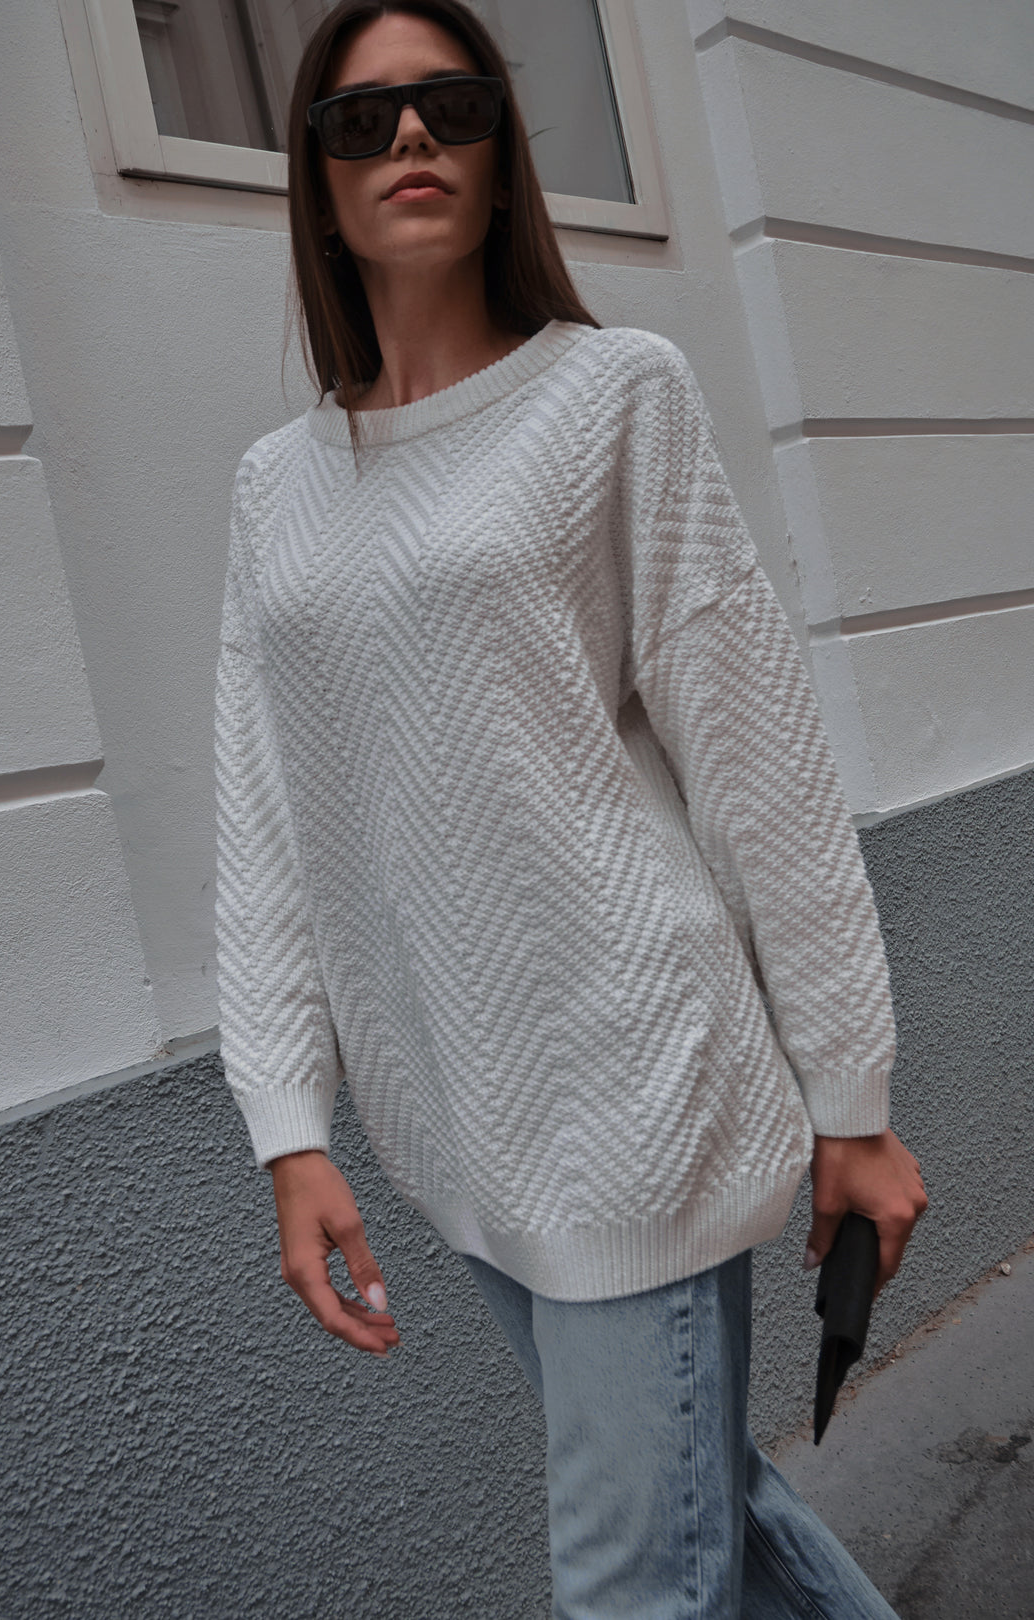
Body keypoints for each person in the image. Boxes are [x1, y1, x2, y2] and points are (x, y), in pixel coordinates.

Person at [213, 1, 929, 1613]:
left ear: (499, 151)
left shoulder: (612, 396)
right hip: (459, 1113)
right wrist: (289, 1124)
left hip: (633, 1087)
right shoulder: (277, 486)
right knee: (713, 1507)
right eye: (361, 119)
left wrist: (853, 1098)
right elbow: (264, 815)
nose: (410, 136)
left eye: (450, 104)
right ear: (316, 180)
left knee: (632, 1578)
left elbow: (759, 761)